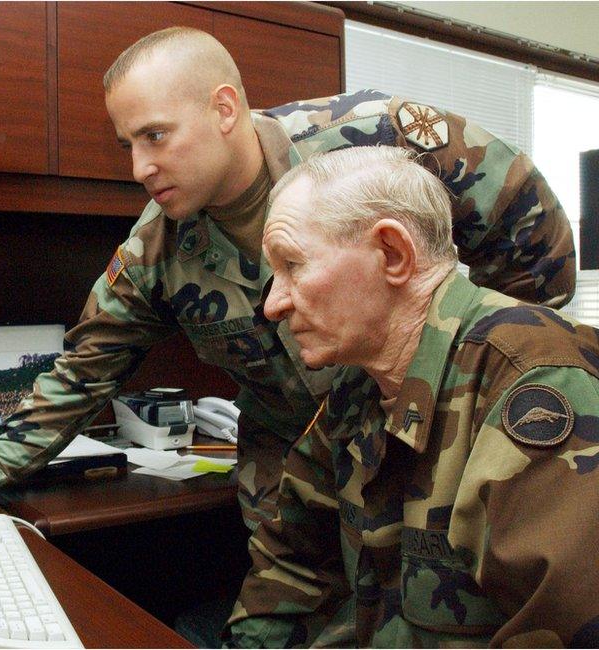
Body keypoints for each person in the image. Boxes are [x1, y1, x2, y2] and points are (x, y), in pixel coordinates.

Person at [0, 26, 576, 645]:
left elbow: (532, 228)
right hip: (296, 455)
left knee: (455, 609)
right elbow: (82, 374)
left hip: (430, 429)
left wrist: (462, 369)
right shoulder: (157, 249)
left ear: (225, 109)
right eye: (127, 145)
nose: (140, 167)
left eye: (155, 136)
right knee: (304, 608)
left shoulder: (375, 137)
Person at [229, 145, 599, 647]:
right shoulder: (357, 382)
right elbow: (294, 563)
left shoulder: (536, 386)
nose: (273, 304)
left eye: (293, 265)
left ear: (393, 254)